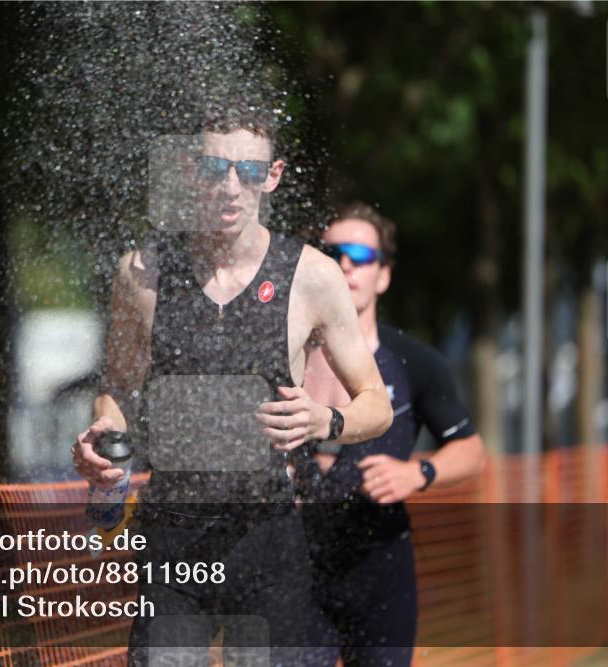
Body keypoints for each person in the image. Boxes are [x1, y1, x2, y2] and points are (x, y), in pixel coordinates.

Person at [71, 106, 394, 666]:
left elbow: (378, 402)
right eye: (215, 168)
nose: (230, 187)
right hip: (173, 541)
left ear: (272, 176)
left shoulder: (312, 275)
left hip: (267, 538)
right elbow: (118, 388)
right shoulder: (142, 274)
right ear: (190, 170)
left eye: (248, 172)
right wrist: (103, 437)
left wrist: (326, 421)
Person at [298, 202, 488, 667]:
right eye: (331, 251)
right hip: (293, 566)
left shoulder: (414, 362)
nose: (344, 263)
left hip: (380, 567)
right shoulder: (283, 355)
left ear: (383, 275)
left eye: (360, 255)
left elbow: (471, 450)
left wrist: (418, 472)